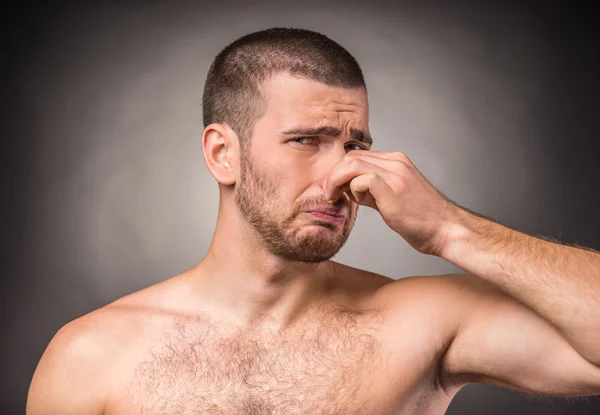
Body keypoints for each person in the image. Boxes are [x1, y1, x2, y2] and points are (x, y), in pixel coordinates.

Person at [26, 27, 600, 415]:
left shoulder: (420, 324)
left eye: (355, 146)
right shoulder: (91, 354)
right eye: (306, 140)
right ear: (222, 154)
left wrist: (451, 229)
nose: (341, 177)